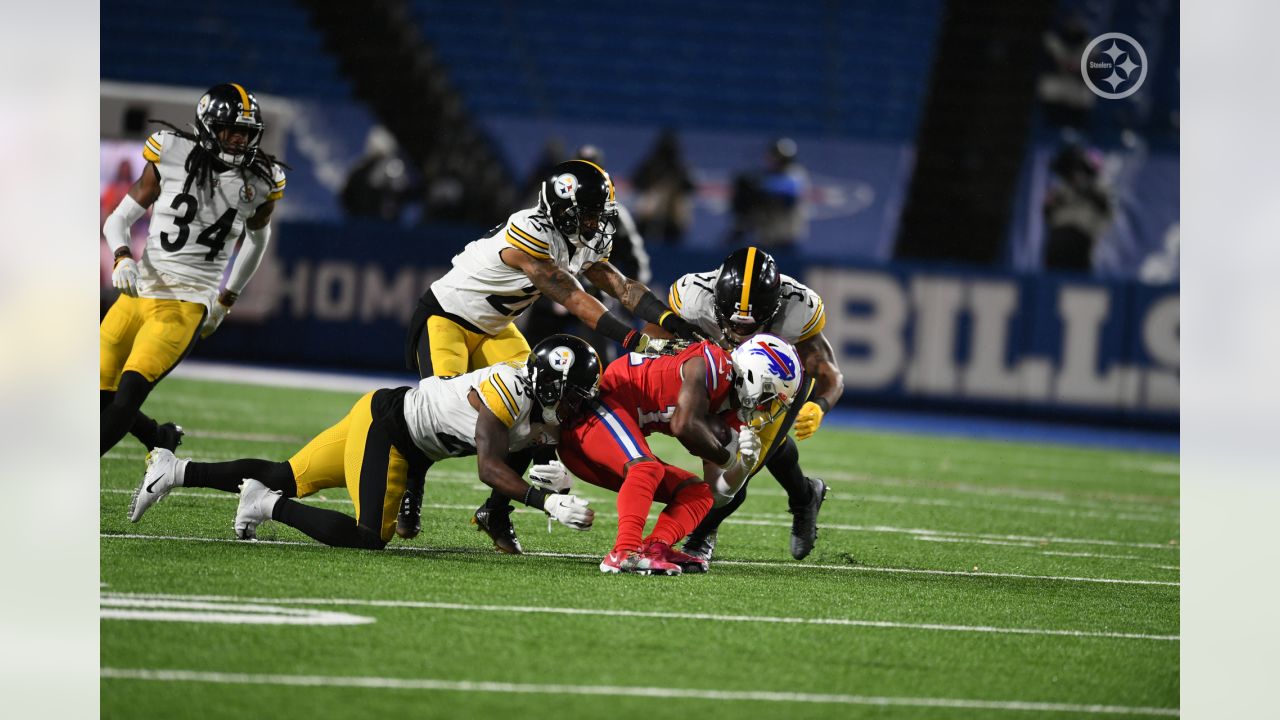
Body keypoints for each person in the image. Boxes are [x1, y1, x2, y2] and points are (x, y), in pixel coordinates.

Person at [399, 159, 705, 553]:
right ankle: (413, 481)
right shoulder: (531, 230)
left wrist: (671, 322)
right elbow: (573, 297)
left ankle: (496, 510)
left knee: (542, 406)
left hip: (495, 327)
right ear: (563, 209)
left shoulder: (582, 237)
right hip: (447, 317)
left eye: (600, 214)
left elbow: (621, 286)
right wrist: (635, 342)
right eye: (590, 214)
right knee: (439, 412)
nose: (597, 223)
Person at [129, 335, 601, 550]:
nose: (579, 406)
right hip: (393, 430)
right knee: (368, 536)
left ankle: (176, 470)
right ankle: (268, 507)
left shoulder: (544, 405)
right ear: (548, 386)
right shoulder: (508, 389)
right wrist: (547, 503)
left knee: (286, 475)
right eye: (575, 395)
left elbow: (533, 444)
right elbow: (488, 466)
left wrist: (548, 463)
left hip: (394, 423)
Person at [100, 83, 286, 456]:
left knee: (127, 396)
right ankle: (158, 437)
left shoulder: (262, 180)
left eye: (246, 133)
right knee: (97, 396)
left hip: (186, 302)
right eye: (230, 130)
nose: (237, 140)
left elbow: (256, 239)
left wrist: (226, 299)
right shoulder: (171, 152)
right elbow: (118, 217)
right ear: (207, 126)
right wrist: (122, 255)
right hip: (139, 291)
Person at [558, 336, 800, 575]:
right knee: (647, 469)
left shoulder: (732, 411)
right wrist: (728, 459)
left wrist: (744, 466)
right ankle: (625, 552)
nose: (766, 408)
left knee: (698, 494)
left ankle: (656, 548)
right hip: (593, 411)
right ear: (752, 376)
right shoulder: (714, 363)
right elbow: (683, 425)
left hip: (607, 439)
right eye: (769, 397)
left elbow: (718, 494)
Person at [663, 247, 844, 560]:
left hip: (777, 384)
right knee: (762, 445)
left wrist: (820, 406)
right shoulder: (694, 297)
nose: (740, 331)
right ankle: (805, 496)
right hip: (722, 371)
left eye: (751, 325)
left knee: (738, 464)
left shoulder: (796, 306)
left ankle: (701, 536)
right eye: (733, 323)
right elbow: (653, 340)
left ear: (774, 307)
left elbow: (830, 373)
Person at [522, 144, 652, 366]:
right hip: (554, 290)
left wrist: (626, 301)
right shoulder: (550, 208)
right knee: (529, 351)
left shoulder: (614, 213)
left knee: (601, 359)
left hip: (592, 291)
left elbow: (635, 259)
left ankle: (603, 389)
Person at [1043, 142, 1115, 272]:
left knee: (1078, 286)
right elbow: (1048, 212)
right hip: (1058, 242)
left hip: (1082, 241)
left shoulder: (1100, 189)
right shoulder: (1060, 188)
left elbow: (1106, 211)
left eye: (1080, 169)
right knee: (1052, 282)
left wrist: (1083, 187)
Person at [726, 138, 809, 251]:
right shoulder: (766, 174)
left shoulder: (796, 174)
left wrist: (758, 185)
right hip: (766, 239)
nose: (775, 159)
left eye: (781, 158)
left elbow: (787, 191)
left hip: (786, 240)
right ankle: (741, 227)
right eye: (774, 155)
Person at [631, 129, 696, 246]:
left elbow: (691, 187)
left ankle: (672, 246)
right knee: (653, 197)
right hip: (649, 212)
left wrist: (674, 182)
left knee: (677, 201)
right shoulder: (651, 165)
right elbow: (636, 181)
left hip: (673, 213)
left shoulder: (679, 167)